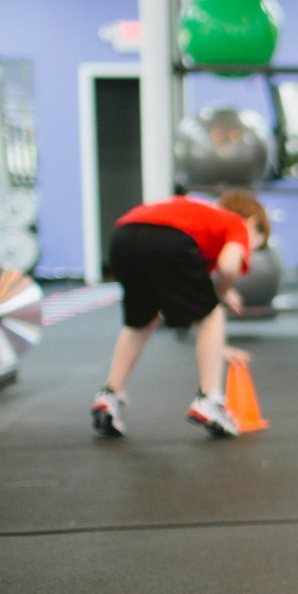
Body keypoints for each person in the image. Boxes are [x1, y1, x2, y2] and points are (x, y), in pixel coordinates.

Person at [91, 188, 270, 439]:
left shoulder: (201, 217)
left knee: (141, 322)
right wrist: (222, 292)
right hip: (167, 240)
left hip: (123, 238)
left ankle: (110, 395)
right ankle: (209, 399)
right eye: (254, 244)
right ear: (252, 223)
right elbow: (228, 266)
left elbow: (192, 306)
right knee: (213, 314)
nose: (248, 253)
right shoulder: (236, 223)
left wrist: (219, 348)